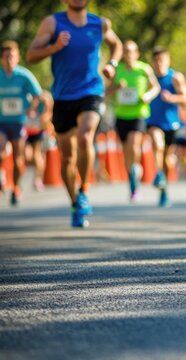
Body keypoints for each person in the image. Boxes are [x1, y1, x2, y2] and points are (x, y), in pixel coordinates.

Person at [27, 0, 122, 227]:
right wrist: (54, 48)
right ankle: (74, 203)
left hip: (91, 91)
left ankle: (84, 191)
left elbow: (116, 45)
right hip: (62, 97)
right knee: (67, 156)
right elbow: (31, 55)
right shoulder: (52, 23)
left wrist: (113, 64)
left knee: (85, 136)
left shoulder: (99, 24)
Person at [105, 40, 160, 201]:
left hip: (139, 113)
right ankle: (132, 179)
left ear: (137, 54)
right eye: (126, 51)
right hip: (121, 114)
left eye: (131, 51)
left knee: (133, 143)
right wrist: (116, 88)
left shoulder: (144, 69)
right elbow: (106, 92)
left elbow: (155, 87)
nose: (129, 55)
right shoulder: (117, 70)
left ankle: (135, 168)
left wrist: (147, 96)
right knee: (125, 150)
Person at [146, 46, 186, 207]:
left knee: (167, 158)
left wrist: (172, 98)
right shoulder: (149, 77)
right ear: (152, 61)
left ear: (168, 60)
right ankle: (158, 174)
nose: (159, 64)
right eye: (156, 60)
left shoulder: (175, 78)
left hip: (172, 123)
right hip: (153, 121)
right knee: (157, 144)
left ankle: (164, 190)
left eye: (162, 60)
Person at [0, 40, 43, 206]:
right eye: (6, 56)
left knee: (19, 159)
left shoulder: (24, 76)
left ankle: (16, 187)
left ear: (17, 58)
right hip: (2, 122)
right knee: (1, 149)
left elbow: (39, 95)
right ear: (2, 59)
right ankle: (2, 176)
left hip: (19, 122)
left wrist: (33, 109)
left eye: (12, 56)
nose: (9, 60)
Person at [24, 89, 53, 192]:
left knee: (38, 155)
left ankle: (38, 179)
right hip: (27, 132)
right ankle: (34, 177)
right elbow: (25, 113)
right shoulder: (28, 98)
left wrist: (43, 118)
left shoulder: (45, 99)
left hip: (39, 132)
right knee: (28, 156)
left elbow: (47, 115)